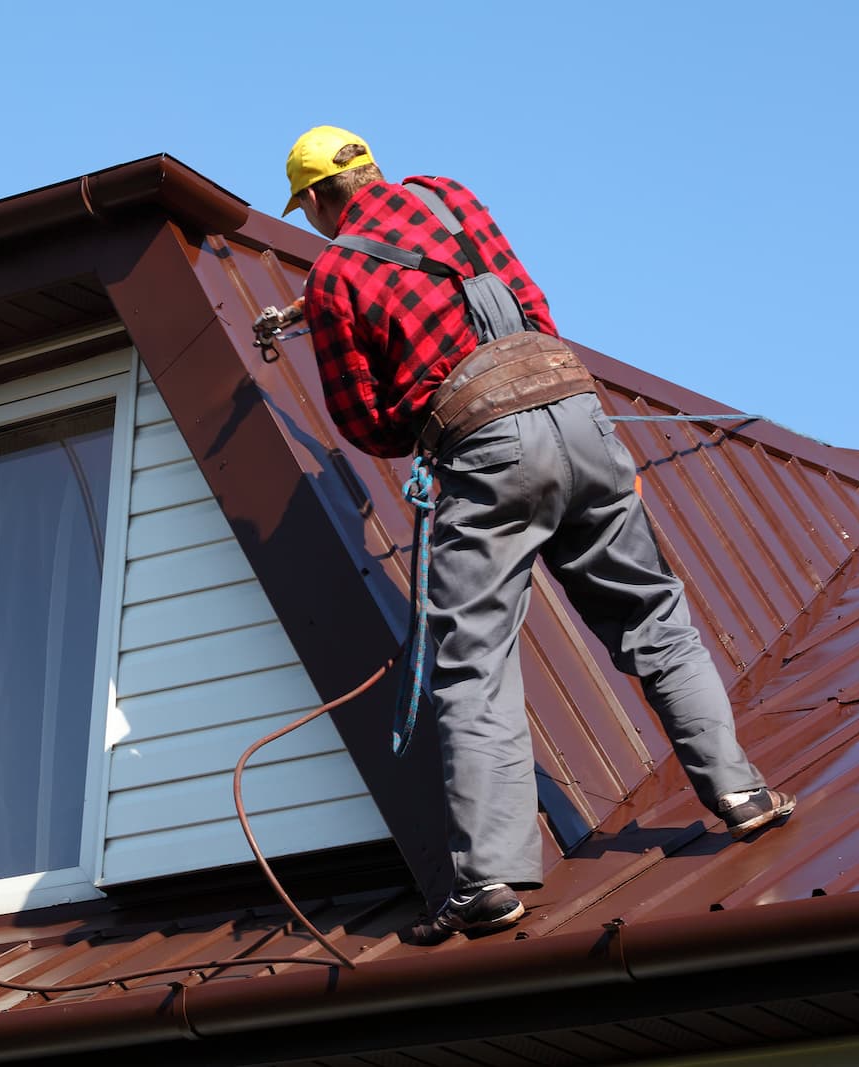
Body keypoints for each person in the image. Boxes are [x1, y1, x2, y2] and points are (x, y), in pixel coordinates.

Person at [280, 125, 795, 941]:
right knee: (652, 615)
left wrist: (430, 412)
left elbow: (363, 420)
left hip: (486, 449)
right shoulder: (449, 196)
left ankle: (489, 879)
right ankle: (742, 792)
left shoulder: (337, 272)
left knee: (474, 661)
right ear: (372, 168)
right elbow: (530, 306)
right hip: (577, 410)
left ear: (313, 199)